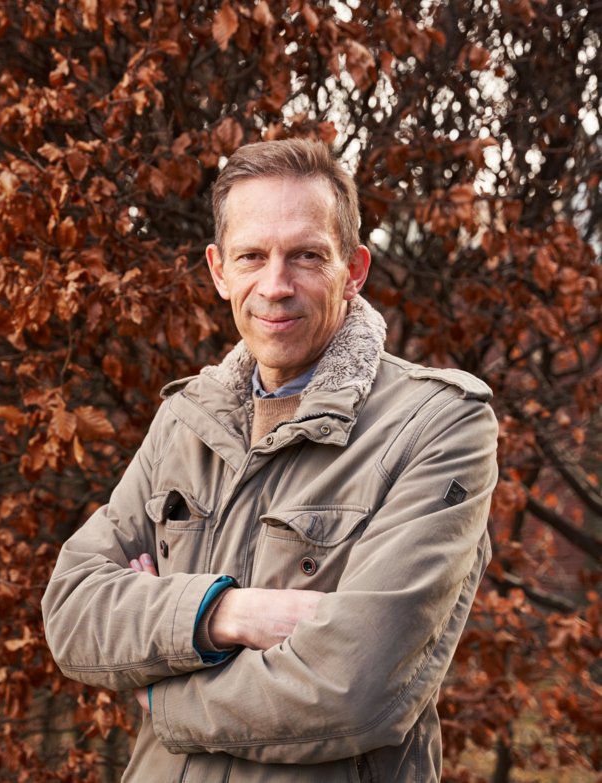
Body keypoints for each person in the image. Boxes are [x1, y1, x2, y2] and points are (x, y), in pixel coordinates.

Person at [41, 138, 498, 782]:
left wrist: (156, 688)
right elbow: (72, 611)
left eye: (307, 256)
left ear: (355, 268)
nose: (275, 286)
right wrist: (226, 614)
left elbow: (352, 688)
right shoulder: (185, 419)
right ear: (219, 269)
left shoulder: (438, 423)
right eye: (252, 256)